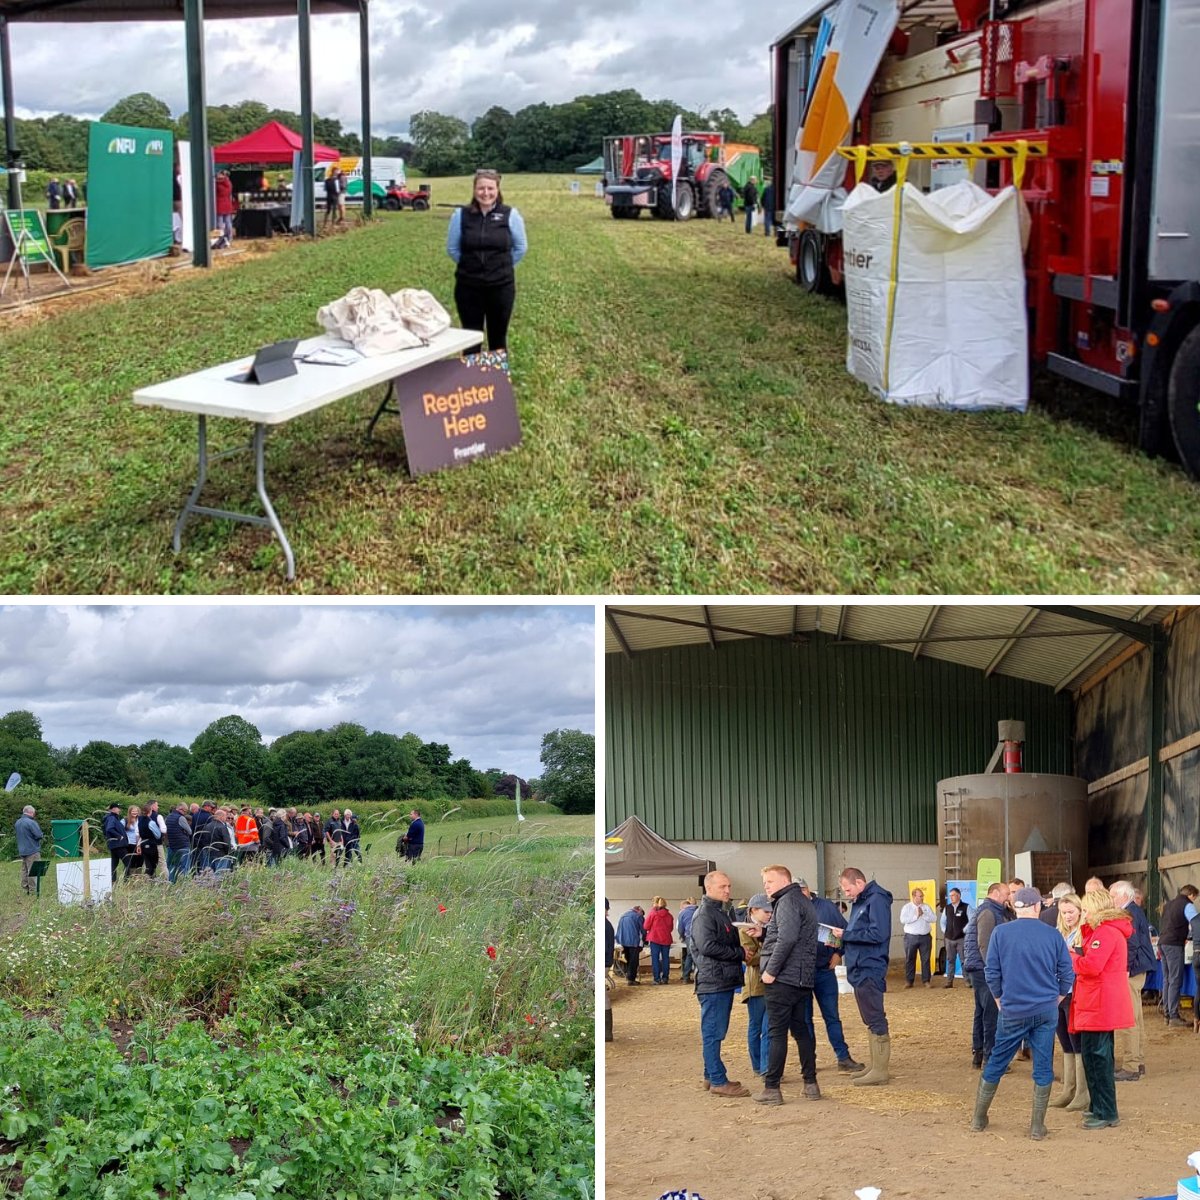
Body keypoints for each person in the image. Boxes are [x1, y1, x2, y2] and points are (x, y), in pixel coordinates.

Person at [972, 887, 1074, 1139]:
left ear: (1015, 907)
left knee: (997, 1059)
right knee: (1043, 1065)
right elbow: (1067, 973)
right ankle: (1037, 1126)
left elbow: (992, 972)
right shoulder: (1053, 935)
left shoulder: (1001, 932)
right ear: (1038, 906)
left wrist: (998, 999)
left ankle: (979, 1118)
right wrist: (1056, 999)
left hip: (1012, 1008)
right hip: (1045, 1009)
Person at [1070, 886, 1134, 1130]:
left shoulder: (1105, 933)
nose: (1083, 914)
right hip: (1097, 1003)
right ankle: (1099, 1107)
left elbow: (1091, 966)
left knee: (1098, 1058)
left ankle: (1106, 1111)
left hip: (1099, 1004)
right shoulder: (1103, 932)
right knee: (1095, 1057)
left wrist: (1071, 957)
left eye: (1085, 909)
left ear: (1096, 909)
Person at [755, 865, 820, 1105]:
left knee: (776, 1033)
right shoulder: (803, 901)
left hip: (783, 979)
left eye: (769, 881)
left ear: (784, 880)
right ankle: (811, 1084)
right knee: (802, 1031)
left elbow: (788, 937)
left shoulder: (787, 902)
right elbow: (795, 934)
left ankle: (772, 1088)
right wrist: (764, 934)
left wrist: (771, 970)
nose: (766, 886)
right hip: (802, 978)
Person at [446, 169, 528, 353]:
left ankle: (495, 381)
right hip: (468, 287)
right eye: (481, 188)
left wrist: (499, 266)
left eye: (490, 188)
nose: (486, 193)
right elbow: (452, 248)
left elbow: (520, 248)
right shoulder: (460, 215)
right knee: (470, 339)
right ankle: (470, 381)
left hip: (501, 287)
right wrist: (471, 265)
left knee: (497, 339)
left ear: (497, 190)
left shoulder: (510, 215)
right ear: (474, 190)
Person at [692, 870, 752, 1098]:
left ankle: (711, 1076)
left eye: (728, 886)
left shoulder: (719, 911)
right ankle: (717, 1079)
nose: (727, 890)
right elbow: (707, 947)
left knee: (716, 1031)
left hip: (720, 980)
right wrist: (739, 952)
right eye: (722, 887)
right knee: (713, 1032)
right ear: (709, 888)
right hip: (714, 981)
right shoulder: (705, 914)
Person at [798, 882, 864, 1072]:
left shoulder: (826, 907)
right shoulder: (789, 908)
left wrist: (839, 953)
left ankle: (843, 1056)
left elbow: (846, 930)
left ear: (807, 889)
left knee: (832, 1016)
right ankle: (809, 1060)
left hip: (824, 970)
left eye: (802, 889)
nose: (801, 893)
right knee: (805, 1018)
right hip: (801, 972)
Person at [838, 866, 894, 1086]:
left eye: (847, 888)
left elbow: (878, 933)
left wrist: (847, 934)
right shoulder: (863, 901)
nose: (846, 894)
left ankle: (880, 1071)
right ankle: (875, 1066)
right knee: (869, 1018)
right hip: (861, 967)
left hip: (870, 966)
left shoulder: (877, 900)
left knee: (875, 1017)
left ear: (859, 883)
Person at [1046, 893, 1090, 1112]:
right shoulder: (1057, 934)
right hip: (1057, 994)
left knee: (1076, 1041)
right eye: (1064, 912)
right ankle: (1068, 1089)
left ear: (1080, 911)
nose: (1067, 916)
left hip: (1075, 994)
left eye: (1071, 912)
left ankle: (1082, 1093)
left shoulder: (1083, 934)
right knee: (1064, 1041)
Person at [963, 881, 1013, 1068]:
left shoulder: (991, 910)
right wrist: (993, 970)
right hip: (983, 970)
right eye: (1006, 893)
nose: (1008, 897)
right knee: (990, 1013)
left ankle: (979, 1053)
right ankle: (990, 1057)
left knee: (982, 1011)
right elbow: (984, 943)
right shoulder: (988, 913)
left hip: (979, 968)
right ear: (996, 893)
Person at [1110, 879, 1156, 1080]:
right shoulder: (1135, 911)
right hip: (1139, 968)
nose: (1110, 900)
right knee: (1135, 1016)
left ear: (1123, 895)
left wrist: (1125, 968)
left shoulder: (1128, 913)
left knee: (1129, 1017)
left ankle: (1131, 1066)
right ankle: (1138, 1061)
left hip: (1131, 970)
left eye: (1112, 896)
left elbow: (1132, 944)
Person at [739, 893, 772, 1076]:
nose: (769, 915)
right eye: (766, 911)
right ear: (753, 910)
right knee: (756, 1026)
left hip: (770, 984)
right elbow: (750, 959)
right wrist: (773, 953)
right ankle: (758, 1065)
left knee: (768, 1027)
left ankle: (766, 1067)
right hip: (755, 985)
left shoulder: (768, 928)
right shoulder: (744, 930)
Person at [1158, 883, 1197, 1027]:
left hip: (1163, 943)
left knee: (1167, 979)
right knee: (1175, 980)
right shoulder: (1187, 905)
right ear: (1191, 895)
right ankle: (1173, 1016)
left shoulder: (1168, 905)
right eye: (1195, 898)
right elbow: (1195, 924)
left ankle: (1168, 1013)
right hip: (1174, 945)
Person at [901, 886, 936, 987]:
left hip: (925, 937)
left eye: (922, 896)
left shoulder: (926, 907)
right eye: (920, 896)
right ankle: (909, 981)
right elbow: (903, 920)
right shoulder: (907, 907)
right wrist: (916, 916)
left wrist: (923, 915)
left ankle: (926, 980)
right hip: (911, 937)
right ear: (913, 897)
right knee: (910, 959)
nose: (922, 898)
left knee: (925, 959)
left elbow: (934, 918)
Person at [643, 897, 674, 984]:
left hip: (654, 938)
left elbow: (646, 926)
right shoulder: (669, 915)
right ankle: (665, 978)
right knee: (665, 959)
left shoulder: (653, 914)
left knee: (655, 959)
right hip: (666, 939)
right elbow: (670, 928)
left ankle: (656, 979)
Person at [943, 886, 970, 986]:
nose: (951, 897)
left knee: (964, 960)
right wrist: (945, 931)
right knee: (950, 960)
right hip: (949, 939)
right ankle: (949, 981)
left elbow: (972, 921)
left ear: (958, 896)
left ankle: (967, 981)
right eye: (950, 896)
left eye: (953, 895)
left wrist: (964, 930)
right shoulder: (947, 908)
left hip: (961, 938)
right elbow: (943, 921)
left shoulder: (966, 907)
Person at [14, 805, 44, 896]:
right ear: (31, 812)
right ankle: (33, 891)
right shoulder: (31, 822)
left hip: (22, 850)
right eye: (34, 813)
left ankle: (25, 888)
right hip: (32, 850)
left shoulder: (18, 822)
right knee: (33, 870)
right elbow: (39, 835)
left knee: (24, 870)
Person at [615, 905, 646, 985]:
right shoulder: (638, 917)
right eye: (642, 913)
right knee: (633, 961)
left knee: (628, 959)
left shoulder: (623, 916)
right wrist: (644, 941)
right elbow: (643, 931)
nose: (643, 916)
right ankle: (631, 980)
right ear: (639, 910)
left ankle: (629, 977)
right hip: (634, 942)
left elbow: (619, 929)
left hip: (623, 942)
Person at [102, 800, 131, 884]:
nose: (119, 810)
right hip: (118, 845)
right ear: (113, 809)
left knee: (114, 864)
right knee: (128, 863)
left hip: (114, 845)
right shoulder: (111, 818)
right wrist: (119, 836)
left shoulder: (112, 818)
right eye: (118, 808)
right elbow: (109, 829)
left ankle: (113, 881)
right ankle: (126, 882)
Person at [164, 803, 192, 882]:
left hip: (171, 845)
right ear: (180, 809)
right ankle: (184, 884)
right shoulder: (181, 818)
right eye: (185, 811)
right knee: (184, 867)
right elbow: (189, 831)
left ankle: (171, 883)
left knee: (172, 866)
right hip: (182, 845)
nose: (185, 813)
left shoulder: (168, 817)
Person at [137, 800, 165, 878]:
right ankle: (149, 881)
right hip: (152, 844)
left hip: (143, 843)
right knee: (153, 865)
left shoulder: (139, 821)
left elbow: (137, 833)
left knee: (147, 864)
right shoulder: (151, 822)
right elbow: (158, 835)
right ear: (150, 811)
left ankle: (147, 881)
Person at [678, 897, 699, 983]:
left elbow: (680, 927)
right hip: (699, 935)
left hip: (688, 936)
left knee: (689, 956)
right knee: (698, 955)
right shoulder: (699, 911)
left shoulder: (683, 913)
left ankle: (686, 977)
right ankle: (698, 977)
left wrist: (682, 936)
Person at [215, 171, 236, 245]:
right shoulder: (229, 183)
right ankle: (229, 237)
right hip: (228, 204)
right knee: (228, 222)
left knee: (220, 223)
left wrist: (216, 181)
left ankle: (221, 238)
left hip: (220, 204)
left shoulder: (218, 184)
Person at [122, 806, 143, 879]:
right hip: (129, 844)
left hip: (139, 843)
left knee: (139, 862)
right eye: (133, 811)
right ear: (130, 812)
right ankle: (129, 878)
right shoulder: (125, 820)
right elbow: (119, 829)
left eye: (136, 811)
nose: (135, 812)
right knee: (131, 862)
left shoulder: (140, 820)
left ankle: (138, 878)